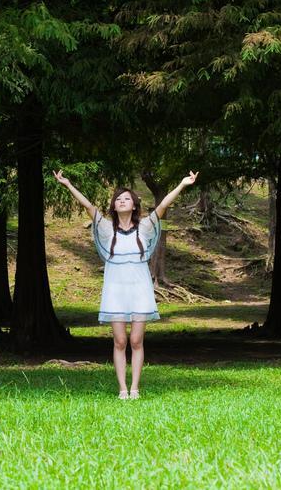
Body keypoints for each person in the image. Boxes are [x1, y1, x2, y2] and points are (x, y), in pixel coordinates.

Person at [52, 170, 199, 399]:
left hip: (139, 288)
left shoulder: (145, 227)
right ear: (114, 206)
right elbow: (89, 207)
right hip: (115, 288)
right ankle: (122, 388)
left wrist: (182, 184)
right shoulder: (106, 228)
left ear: (134, 206)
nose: (122, 201)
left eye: (127, 198)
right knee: (120, 341)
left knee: (136, 340)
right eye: (118, 199)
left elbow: (162, 207)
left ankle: (135, 388)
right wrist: (67, 184)